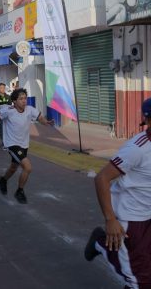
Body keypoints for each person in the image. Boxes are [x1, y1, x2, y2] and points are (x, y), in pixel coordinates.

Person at [84, 98, 151, 288]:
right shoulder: (137, 149)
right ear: (148, 121)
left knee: (143, 270)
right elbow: (102, 179)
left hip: (149, 213)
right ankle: (100, 243)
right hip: (131, 219)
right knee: (138, 280)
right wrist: (110, 220)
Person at [0, 88, 54, 204]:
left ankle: (3, 180)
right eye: (21, 99)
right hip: (12, 144)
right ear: (14, 101)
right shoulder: (8, 111)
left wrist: (46, 122)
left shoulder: (29, 110)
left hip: (24, 144)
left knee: (14, 167)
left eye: (25, 98)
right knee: (27, 167)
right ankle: (19, 191)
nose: (24, 101)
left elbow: (39, 117)